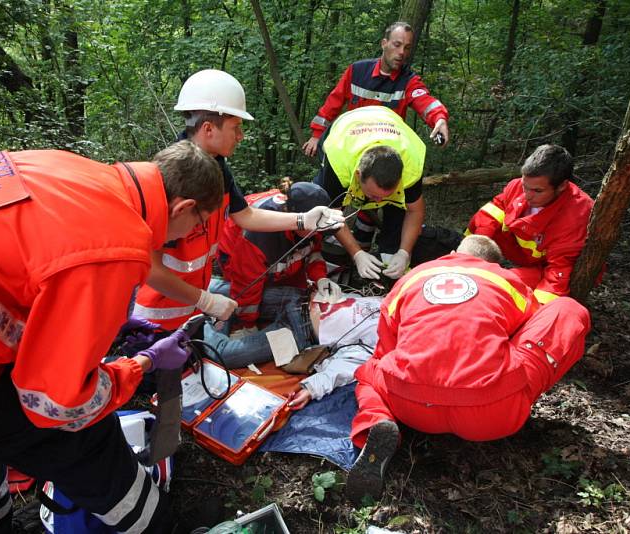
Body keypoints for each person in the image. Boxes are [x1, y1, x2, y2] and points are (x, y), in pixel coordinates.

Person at [0, 141, 224, 533]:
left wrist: (109, 323)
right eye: (199, 223)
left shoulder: (73, 169)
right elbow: (56, 403)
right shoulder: (115, 243)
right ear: (183, 208)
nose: (193, 233)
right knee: (87, 441)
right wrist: (144, 364)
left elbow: (20, 271)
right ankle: (158, 527)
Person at [346, 235, 591, 503]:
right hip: (493, 412)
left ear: (453, 253)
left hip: (412, 407)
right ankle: (515, 390)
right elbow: (526, 329)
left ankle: (375, 420)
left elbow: (387, 350)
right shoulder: (506, 280)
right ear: (495, 264)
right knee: (568, 310)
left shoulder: (412, 277)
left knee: (369, 373)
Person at [133, 69, 344, 332]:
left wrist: (304, 219)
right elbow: (150, 268)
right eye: (236, 127)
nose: (241, 136)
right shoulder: (172, 177)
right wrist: (205, 300)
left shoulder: (217, 167)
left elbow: (245, 215)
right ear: (208, 129)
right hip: (157, 315)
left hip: (189, 307)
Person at [200, 181, 341, 369]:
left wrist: (321, 277)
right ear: (294, 215)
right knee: (225, 352)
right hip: (236, 269)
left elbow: (311, 252)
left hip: (298, 305)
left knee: (225, 352)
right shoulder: (259, 236)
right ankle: (197, 317)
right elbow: (246, 282)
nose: (316, 232)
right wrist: (248, 324)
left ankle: (200, 310)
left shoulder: (311, 224)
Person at [466, 144, 594, 304]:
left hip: (545, 267)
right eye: (525, 186)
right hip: (522, 253)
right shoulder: (518, 185)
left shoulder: (576, 214)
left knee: (502, 284)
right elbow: (492, 211)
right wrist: (469, 255)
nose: (527, 195)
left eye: (537, 191)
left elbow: (558, 270)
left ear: (561, 186)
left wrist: (538, 311)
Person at [302, 21, 450, 158]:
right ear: (384, 44)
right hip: (352, 148)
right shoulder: (357, 71)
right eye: (397, 45)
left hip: (386, 155)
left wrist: (440, 119)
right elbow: (332, 104)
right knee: (322, 183)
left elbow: (426, 102)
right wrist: (317, 135)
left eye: (407, 48)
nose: (401, 52)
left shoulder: (408, 81)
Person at [314, 105, 427, 281]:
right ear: (358, 176)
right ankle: (334, 264)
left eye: (386, 196)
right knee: (320, 211)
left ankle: (387, 261)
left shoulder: (411, 168)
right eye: (374, 196)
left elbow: (415, 210)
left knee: (397, 214)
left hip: (390, 124)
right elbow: (331, 214)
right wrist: (356, 253)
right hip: (347, 128)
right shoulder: (338, 164)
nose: (379, 201)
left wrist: (404, 252)